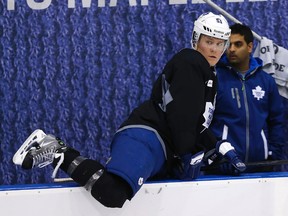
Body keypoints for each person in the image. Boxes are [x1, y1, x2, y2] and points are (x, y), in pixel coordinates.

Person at [13, 12, 246, 208]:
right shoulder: (191, 61)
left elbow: (195, 123)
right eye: (209, 41)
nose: (214, 49)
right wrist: (187, 154)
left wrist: (220, 147)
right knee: (112, 193)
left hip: (161, 146)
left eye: (219, 43)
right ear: (196, 39)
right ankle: (55, 150)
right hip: (147, 136)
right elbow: (181, 115)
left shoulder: (208, 74)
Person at [209, 23, 285, 174]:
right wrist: (216, 155)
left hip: (261, 167)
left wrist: (271, 155)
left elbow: (277, 121)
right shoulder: (214, 78)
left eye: (238, 44)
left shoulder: (266, 81)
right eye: (228, 44)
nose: (231, 49)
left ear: (250, 47)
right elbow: (203, 122)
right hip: (224, 166)